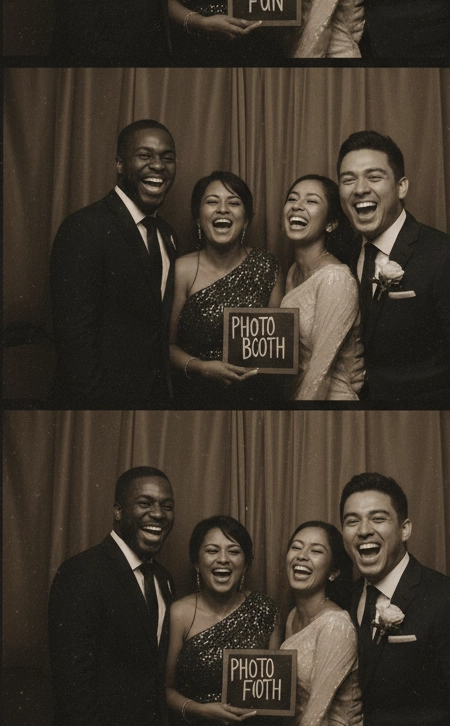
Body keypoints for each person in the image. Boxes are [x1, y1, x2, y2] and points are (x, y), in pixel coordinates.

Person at [335, 131, 450, 409]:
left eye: (374, 177)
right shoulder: (345, 258)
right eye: (348, 180)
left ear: (401, 187)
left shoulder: (449, 259)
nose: (360, 189)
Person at [339, 473, 450, 726]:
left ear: (404, 529)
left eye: (378, 519)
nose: (363, 530)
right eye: (352, 521)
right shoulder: (346, 599)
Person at [50, 119, 178, 407]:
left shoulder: (168, 235)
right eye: (144, 155)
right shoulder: (83, 227)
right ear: (120, 164)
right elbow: (74, 340)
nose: (158, 165)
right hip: (102, 405)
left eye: (167, 157)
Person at [48, 467, 176, 726]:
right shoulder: (81, 572)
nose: (158, 514)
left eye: (167, 506)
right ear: (118, 511)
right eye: (145, 503)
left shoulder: (164, 579)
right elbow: (74, 685)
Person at [169, 172, 282, 408]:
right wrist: (200, 367)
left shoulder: (268, 266)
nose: (223, 209)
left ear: (246, 219)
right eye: (212, 202)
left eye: (234, 203)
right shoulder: (181, 270)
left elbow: (277, 350)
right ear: (198, 218)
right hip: (196, 399)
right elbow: (168, 346)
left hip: (255, 399)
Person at [165, 516, 277, 723]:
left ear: (246, 564)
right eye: (212, 551)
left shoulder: (265, 609)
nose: (223, 559)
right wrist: (199, 710)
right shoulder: (179, 613)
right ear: (197, 562)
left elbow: (274, 694)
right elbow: (167, 689)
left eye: (233, 551)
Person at [281, 175, 363, 400]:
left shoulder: (335, 278)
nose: (297, 206)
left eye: (311, 201)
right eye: (292, 199)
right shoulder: (292, 272)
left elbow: (321, 370)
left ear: (331, 224)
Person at [281, 521, 361, 726]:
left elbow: (316, 716)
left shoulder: (335, 625)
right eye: (296, 547)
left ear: (333, 572)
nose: (301, 556)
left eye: (316, 550)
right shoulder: (292, 616)